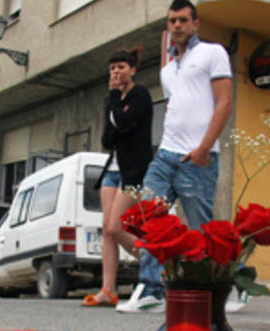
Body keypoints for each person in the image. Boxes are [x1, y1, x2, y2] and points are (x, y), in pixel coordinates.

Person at [117, 0, 233, 313]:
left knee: (201, 229)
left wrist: (204, 148)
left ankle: (220, 288)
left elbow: (224, 103)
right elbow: (174, 109)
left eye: (183, 20)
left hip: (196, 158)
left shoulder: (212, 53)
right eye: (172, 21)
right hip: (165, 155)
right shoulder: (167, 71)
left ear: (195, 24)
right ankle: (151, 290)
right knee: (150, 218)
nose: (177, 25)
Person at [82, 47, 155, 307]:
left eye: (121, 67)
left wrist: (116, 100)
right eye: (112, 68)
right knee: (107, 230)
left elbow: (122, 124)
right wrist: (117, 110)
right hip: (111, 171)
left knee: (117, 227)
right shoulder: (114, 102)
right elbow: (107, 139)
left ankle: (158, 265)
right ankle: (108, 290)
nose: (115, 72)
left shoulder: (139, 95)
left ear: (132, 70)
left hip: (133, 170)